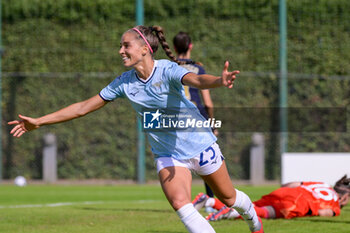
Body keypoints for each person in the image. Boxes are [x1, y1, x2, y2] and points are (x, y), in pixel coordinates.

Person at [8, 25, 263, 233]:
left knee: (228, 198)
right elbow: (83, 107)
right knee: (180, 204)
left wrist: (220, 81)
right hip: (168, 154)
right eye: (120, 45)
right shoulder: (124, 83)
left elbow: (196, 80)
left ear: (144, 49)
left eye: (125, 45)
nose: (120, 50)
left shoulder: (168, 69)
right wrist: (39, 121)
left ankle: (254, 220)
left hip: (200, 144)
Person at [173, 31, 217, 208]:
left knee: (180, 159)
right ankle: (210, 200)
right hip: (197, 117)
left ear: (174, 47)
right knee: (207, 158)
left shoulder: (169, 67)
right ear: (190, 46)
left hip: (176, 119)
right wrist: (212, 123)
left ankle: (184, 201)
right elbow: (207, 102)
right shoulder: (198, 69)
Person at [192, 175, 350, 221]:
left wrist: (280, 190)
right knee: (262, 212)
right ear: (344, 197)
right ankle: (229, 214)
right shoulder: (336, 205)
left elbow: (293, 183)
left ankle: (208, 200)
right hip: (296, 204)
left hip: (284, 192)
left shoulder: (320, 183)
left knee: (250, 206)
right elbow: (323, 213)